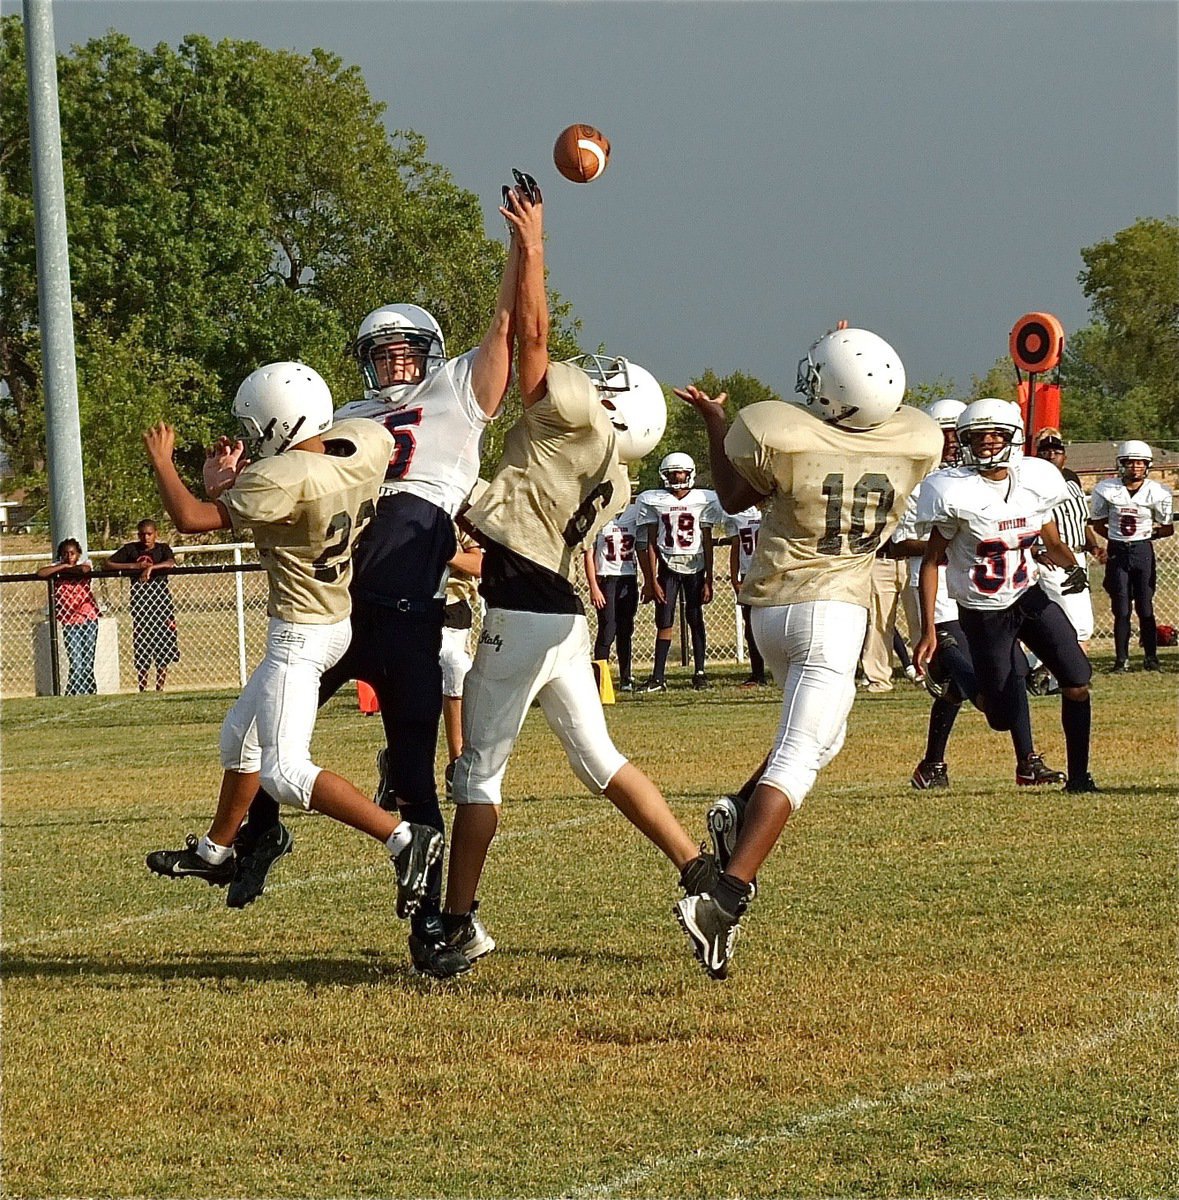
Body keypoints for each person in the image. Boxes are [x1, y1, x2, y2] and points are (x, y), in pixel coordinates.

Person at [154, 182, 525, 977]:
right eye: (381, 351)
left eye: (406, 350)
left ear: (429, 351)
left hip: (408, 607)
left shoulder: (458, 391)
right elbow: (283, 489)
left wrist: (526, 245)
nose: (395, 364)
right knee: (256, 732)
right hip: (336, 601)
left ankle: (440, 922)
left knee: (412, 774)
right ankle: (246, 841)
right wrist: (232, 482)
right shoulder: (346, 414)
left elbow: (509, 325)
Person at [439, 183, 717, 975]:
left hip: (524, 610)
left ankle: (456, 923)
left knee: (476, 773)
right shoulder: (619, 480)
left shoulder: (574, 416)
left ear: (610, 409)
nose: (589, 377)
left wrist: (530, 246)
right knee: (598, 758)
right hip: (562, 618)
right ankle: (699, 873)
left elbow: (531, 337)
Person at [673, 326, 941, 979]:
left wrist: (714, 420)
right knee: (799, 756)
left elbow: (734, 498)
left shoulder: (778, 432)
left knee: (825, 736)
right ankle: (723, 899)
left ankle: (739, 808)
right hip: (834, 609)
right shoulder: (915, 443)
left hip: (770, 609)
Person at [141, 363, 443, 931]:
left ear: (278, 421)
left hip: (300, 634)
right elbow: (291, 480)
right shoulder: (369, 442)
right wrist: (238, 483)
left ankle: (405, 838)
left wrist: (167, 464)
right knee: (240, 738)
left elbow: (190, 518)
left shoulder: (279, 478)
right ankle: (216, 851)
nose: (253, 440)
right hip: (336, 617)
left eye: (258, 427)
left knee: (284, 771)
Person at [913, 398, 1097, 798]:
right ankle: (954, 665)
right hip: (983, 612)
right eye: (976, 436)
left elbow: (1051, 541)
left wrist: (1072, 565)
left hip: (1028, 597)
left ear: (1012, 438)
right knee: (999, 715)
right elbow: (931, 563)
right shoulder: (953, 491)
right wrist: (930, 628)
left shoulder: (1035, 482)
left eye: (994, 434)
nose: (985, 443)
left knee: (1078, 679)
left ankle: (1080, 778)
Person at [891, 399, 1061, 789]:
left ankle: (1004, 761)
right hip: (942, 595)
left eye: (957, 432)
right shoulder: (929, 486)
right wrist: (965, 536)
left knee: (994, 673)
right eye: (945, 434)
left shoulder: (1001, 478)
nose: (954, 443)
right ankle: (1006, 759)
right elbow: (903, 543)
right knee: (980, 686)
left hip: (993, 592)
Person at [1023, 431, 1103, 693]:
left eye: (1055, 451)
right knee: (1072, 621)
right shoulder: (1032, 482)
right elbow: (1024, 521)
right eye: (1044, 451)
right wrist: (1035, 550)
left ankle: (1038, 669)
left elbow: (1082, 521)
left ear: (1064, 455)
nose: (1050, 455)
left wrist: (1092, 546)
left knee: (1081, 623)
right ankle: (1058, 676)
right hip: (1053, 558)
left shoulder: (1071, 479)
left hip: (1076, 555)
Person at [636, 453, 720, 690]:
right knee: (664, 620)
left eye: (680, 472)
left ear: (689, 473)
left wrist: (709, 579)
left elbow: (707, 540)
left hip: (695, 565)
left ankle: (700, 671)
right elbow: (651, 541)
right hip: (667, 563)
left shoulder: (703, 498)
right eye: (672, 473)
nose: (676, 477)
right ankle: (658, 677)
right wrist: (651, 580)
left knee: (695, 618)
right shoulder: (654, 500)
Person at [1089, 440, 1174, 672]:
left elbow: (1168, 528)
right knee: (1121, 609)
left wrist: (1145, 535)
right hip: (1118, 551)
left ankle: (1151, 657)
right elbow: (1097, 523)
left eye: (1140, 463)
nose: (1135, 467)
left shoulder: (1156, 492)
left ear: (1147, 465)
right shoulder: (1107, 489)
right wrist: (1116, 539)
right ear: (1121, 464)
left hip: (1142, 551)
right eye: (1130, 462)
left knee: (1145, 607)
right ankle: (1121, 659)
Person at [440, 481, 487, 795]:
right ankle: (396, 763)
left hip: (452, 607)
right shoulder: (399, 510)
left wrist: (445, 554)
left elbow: (480, 563)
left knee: (455, 669)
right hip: (409, 606)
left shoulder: (459, 515)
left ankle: (457, 761)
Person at [107, 519, 180, 691]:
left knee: (163, 643)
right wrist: (134, 566)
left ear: (156, 534)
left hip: (161, 604)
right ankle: (142, 687)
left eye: (149, 534)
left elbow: (171, 562)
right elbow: (108, 563)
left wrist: (151, 569)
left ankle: (160, 687)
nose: (145, 538)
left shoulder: (162, 549)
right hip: (141, 605)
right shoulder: (131, 549)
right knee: (142, 644)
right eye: (142, 534)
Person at [584, 479, 641, 692]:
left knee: (625, 630)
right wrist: (593, 586)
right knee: (607, 630)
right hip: (606, 578)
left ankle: (626, 677)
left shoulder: (634, 514)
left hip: (628, 577)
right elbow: (588, 555)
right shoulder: (598, 518)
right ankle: (601, 680)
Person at [37, 538, 101, 695]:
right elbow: (41, 573)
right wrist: (63, 566)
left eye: (72, 553)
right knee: (76, 660)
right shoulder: (57, 567)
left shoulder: (86, 563)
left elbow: (84, 571)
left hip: (88, 618)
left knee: (87, 661)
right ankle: (73, 692)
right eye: (65, 554)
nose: (69, 556)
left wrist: (66, 570)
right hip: (69, 620)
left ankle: (89, 690)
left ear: (78, 554)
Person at [716, 504, 767, 686]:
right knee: (751, 627)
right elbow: (736, 547)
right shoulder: (739, 513)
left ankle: (785, 671)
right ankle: (757, 674)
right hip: (749, 574)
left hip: (774, 573)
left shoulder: (775, 509)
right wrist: (734, 578)